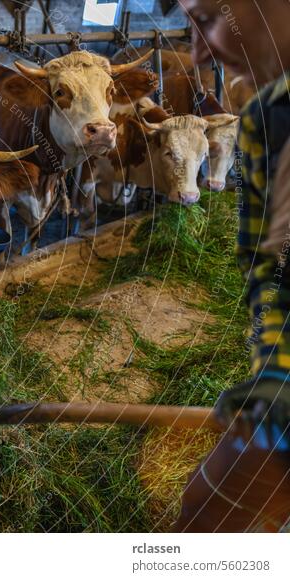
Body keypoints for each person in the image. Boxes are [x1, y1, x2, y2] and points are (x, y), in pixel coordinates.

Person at [175, 0, 290, 531]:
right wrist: (276, 371)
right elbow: (268, 268)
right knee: (206, 511)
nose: (199, 51)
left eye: (208, 19)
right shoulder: (266, 123)